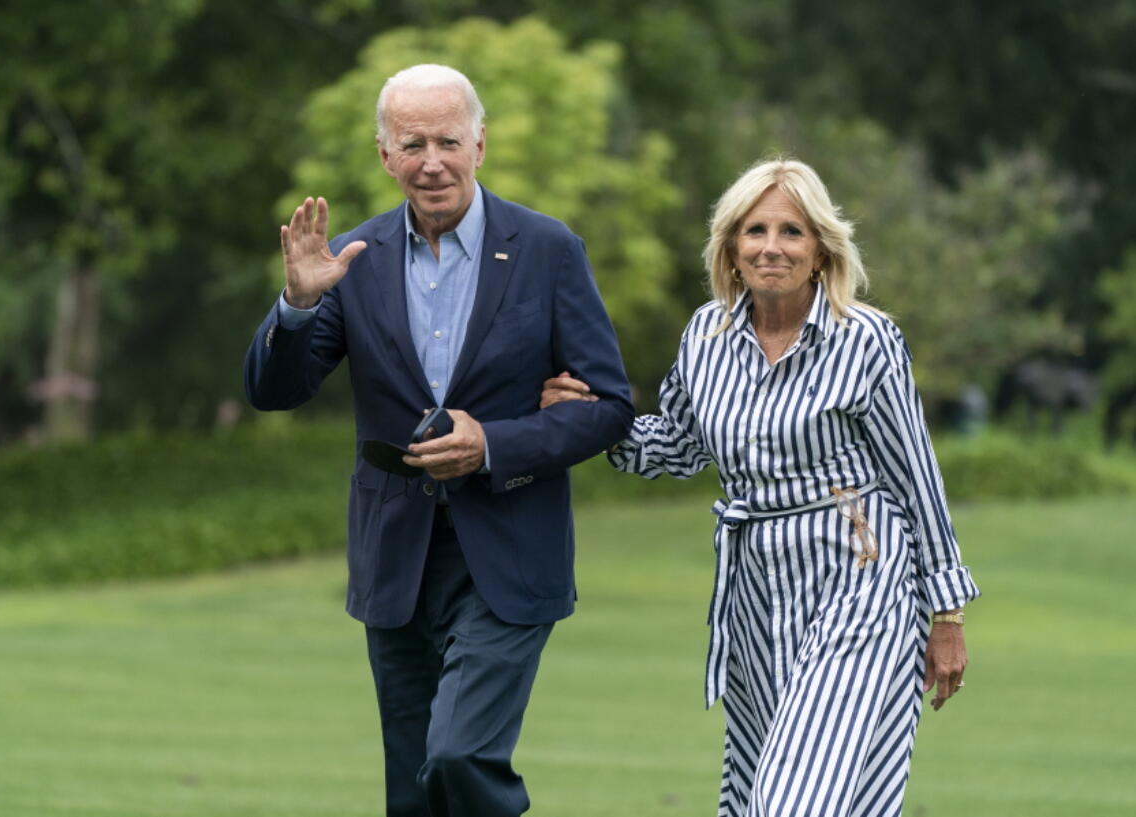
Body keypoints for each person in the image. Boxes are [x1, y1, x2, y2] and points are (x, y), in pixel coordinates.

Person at [243, 64, 633, 817]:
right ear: (385, 155)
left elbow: (609, 405)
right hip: (396, 556)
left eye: (448, 140)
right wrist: (295, 305)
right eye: (412, 143)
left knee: (458, 755)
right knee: (413, 792)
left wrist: (492, 443)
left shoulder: (549, 249)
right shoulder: (347, 262)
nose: (432, 161)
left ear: (480, 144)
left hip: (511, 550)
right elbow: (274, 390)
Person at [542, 158, 979, 817]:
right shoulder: (705, 337)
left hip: (861, 575)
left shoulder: (867, 341)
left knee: (792, 797)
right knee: (785, 793)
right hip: (754, 587)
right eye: (755, 230)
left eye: (792, 232)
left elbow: (915, 475)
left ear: (821, 249)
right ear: (731, 247)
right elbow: (677, 445)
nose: (771, 246)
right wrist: (587, 421)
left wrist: (947, 613)